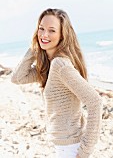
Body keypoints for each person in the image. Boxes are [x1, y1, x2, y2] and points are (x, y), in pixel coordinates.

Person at [11, 8, 102, 158]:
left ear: (62, 35)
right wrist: (35, 47)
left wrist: (84, 152)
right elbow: (17, 78)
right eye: (41, 29)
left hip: (72, 148)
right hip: (64, 146)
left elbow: (95, 101)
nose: (44, 34)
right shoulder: (50, 66)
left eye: (52, 30)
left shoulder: (60, 65)